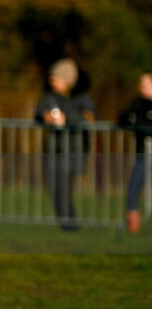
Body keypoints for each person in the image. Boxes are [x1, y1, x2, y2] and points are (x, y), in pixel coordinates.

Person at [35, 58, 95, 232]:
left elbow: (89, 117)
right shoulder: (49, 97)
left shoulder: (82, 98)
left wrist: (67, 118)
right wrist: (45, 117)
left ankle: (70, 225)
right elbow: (38, 112)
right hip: (55, 149)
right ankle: (67, 224)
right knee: (54, 188)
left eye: (58, 78)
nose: (53, 81)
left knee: (64, 187)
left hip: (74, 149)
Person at [117, 71, 152, 234]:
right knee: (134, 187)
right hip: (142, 155)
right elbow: (123, 118)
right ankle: (133, 224)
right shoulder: (137, 103)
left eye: (144, 83)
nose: (141, 86)